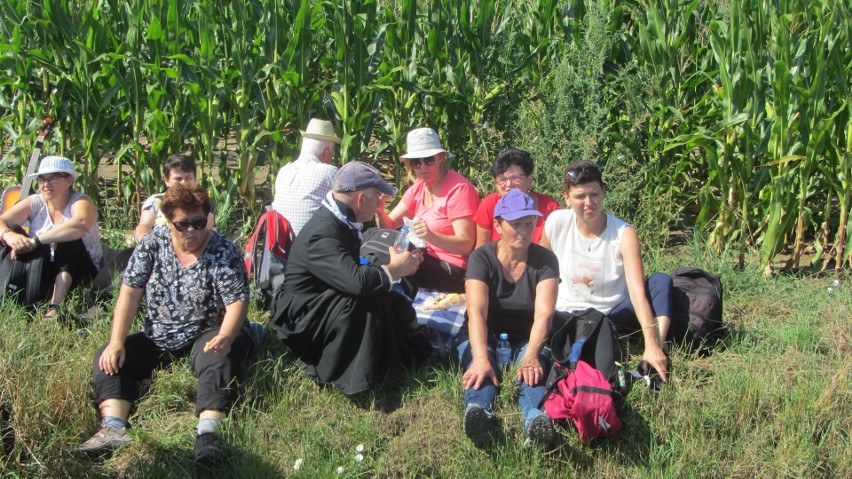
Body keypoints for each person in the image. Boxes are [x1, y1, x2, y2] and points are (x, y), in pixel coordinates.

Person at [80, 185, 253, 466]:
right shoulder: (153, 243)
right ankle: (113, 426)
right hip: (159, 332)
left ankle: (208, 434)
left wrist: (227, 334)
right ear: (169, 221)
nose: (192, 231)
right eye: (183, 224)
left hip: (206, 330)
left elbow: (237, 301)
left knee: (220, 358)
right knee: (108, 357)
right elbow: (130, 291)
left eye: (199, 223)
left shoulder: (224, 250)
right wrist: (116, 340)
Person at [272, 161, 429, 395]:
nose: (380, 203)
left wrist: (390, 269)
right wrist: (395, 269)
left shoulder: (340, 219)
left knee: (383, 291)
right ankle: (349, 377)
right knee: (364, 298)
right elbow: (356, 282)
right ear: (360, 199)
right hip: (303, 319)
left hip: (320, 298)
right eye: (377, 197)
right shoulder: (323, 233)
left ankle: (399, 359)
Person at [541, 160, 669, 381]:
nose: (588, 202)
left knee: (660, 282)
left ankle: (656, 347)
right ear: (567, 198)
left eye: (594, 194)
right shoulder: (556, 223)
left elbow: (637, 291)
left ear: (603, 193)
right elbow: (541, 273)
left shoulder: (623, 233)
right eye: (580, 196)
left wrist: (650, 342)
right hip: (566, 313)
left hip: (611, 313)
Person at [457, 189, 560, 447]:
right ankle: (479, 413)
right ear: (497, 225)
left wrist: (531, 354)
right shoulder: (481, 258)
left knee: (533, 371)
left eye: (530, 223)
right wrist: (481, 358)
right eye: (516, 224)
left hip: (527, 334)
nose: (524, 231)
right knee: (480, 366)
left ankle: (534, 417)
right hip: (486, 332)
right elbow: (476, 312)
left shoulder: (546, 259)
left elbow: (544, 313)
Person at [378, 127, 479, 293]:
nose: (422, 166)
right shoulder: (419, 187)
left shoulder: (459, 189)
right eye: (416, 162)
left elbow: (466, 246)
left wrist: (430, 235)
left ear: (440, 158)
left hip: (451, 266)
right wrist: (380, 212)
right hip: (424, 257)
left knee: (394, 270)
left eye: (428, 160)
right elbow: (388, 226)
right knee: (381, 256)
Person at [0, 156, 103, 318]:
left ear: (69, 180)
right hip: (44, 266)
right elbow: (2, 221)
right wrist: (10, 235)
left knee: (66, 240)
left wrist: (36, 241)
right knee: (10, 229)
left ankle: (55, 307)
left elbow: (80, 224)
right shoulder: (35, 202)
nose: (46, 185)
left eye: (53, 178)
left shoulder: (81, 202)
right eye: (42, 179)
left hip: (79, 269)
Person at [473, 149, 560, 249]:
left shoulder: (550, 208)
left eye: (515, 178)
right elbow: (481, 249)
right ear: (496, 183)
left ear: (529, 179)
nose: (509, 184)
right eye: (503, 179)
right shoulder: (489, 204)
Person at [271, 118, 341, 235]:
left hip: (279, 246)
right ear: (327, 151)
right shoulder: (330, 172)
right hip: (310, 248)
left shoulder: (284, 171)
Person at [134, 153, 215, 242]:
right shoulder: (155, 201)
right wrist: (147, 243)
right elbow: (144, 225)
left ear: (195, 179)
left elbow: (206, 227)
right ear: (166, 181)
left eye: (188, 178)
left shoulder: (203, 201)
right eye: (178, 179)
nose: (184, 183)